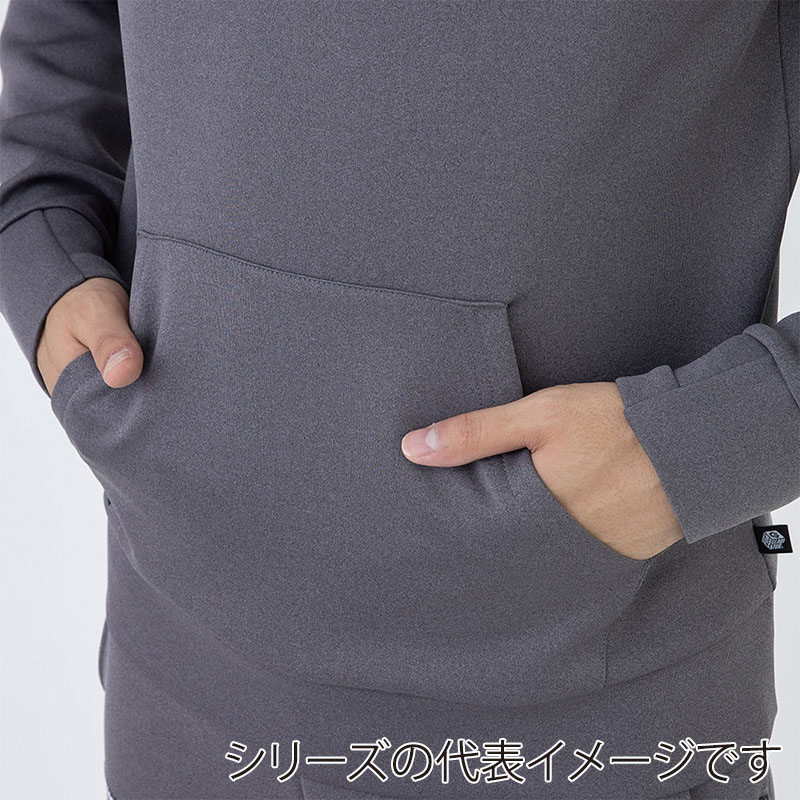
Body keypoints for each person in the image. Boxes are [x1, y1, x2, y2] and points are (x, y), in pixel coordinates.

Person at [0, 2, 796, 799]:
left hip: (582, 720)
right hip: (180, 688)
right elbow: (65, 37)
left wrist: (713, 438)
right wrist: (43, 243)